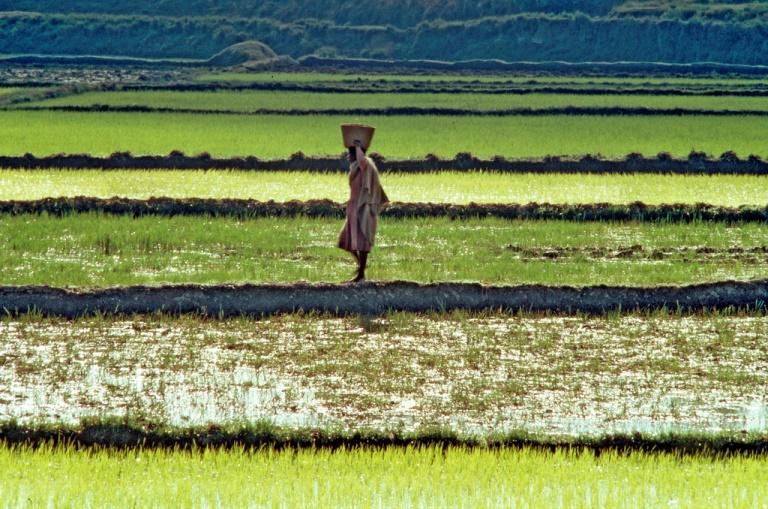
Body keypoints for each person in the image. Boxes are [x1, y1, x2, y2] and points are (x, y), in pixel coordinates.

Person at [337, 124, 389, 283]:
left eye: (349, 153)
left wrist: (357, 145)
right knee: (345, 241)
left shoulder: (365, 164)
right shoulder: (356, 167)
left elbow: (361, 158)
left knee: (362, 241)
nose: (348, 156)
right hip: (354, 207)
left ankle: (360, 274)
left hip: (363, 208)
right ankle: (361, 268)